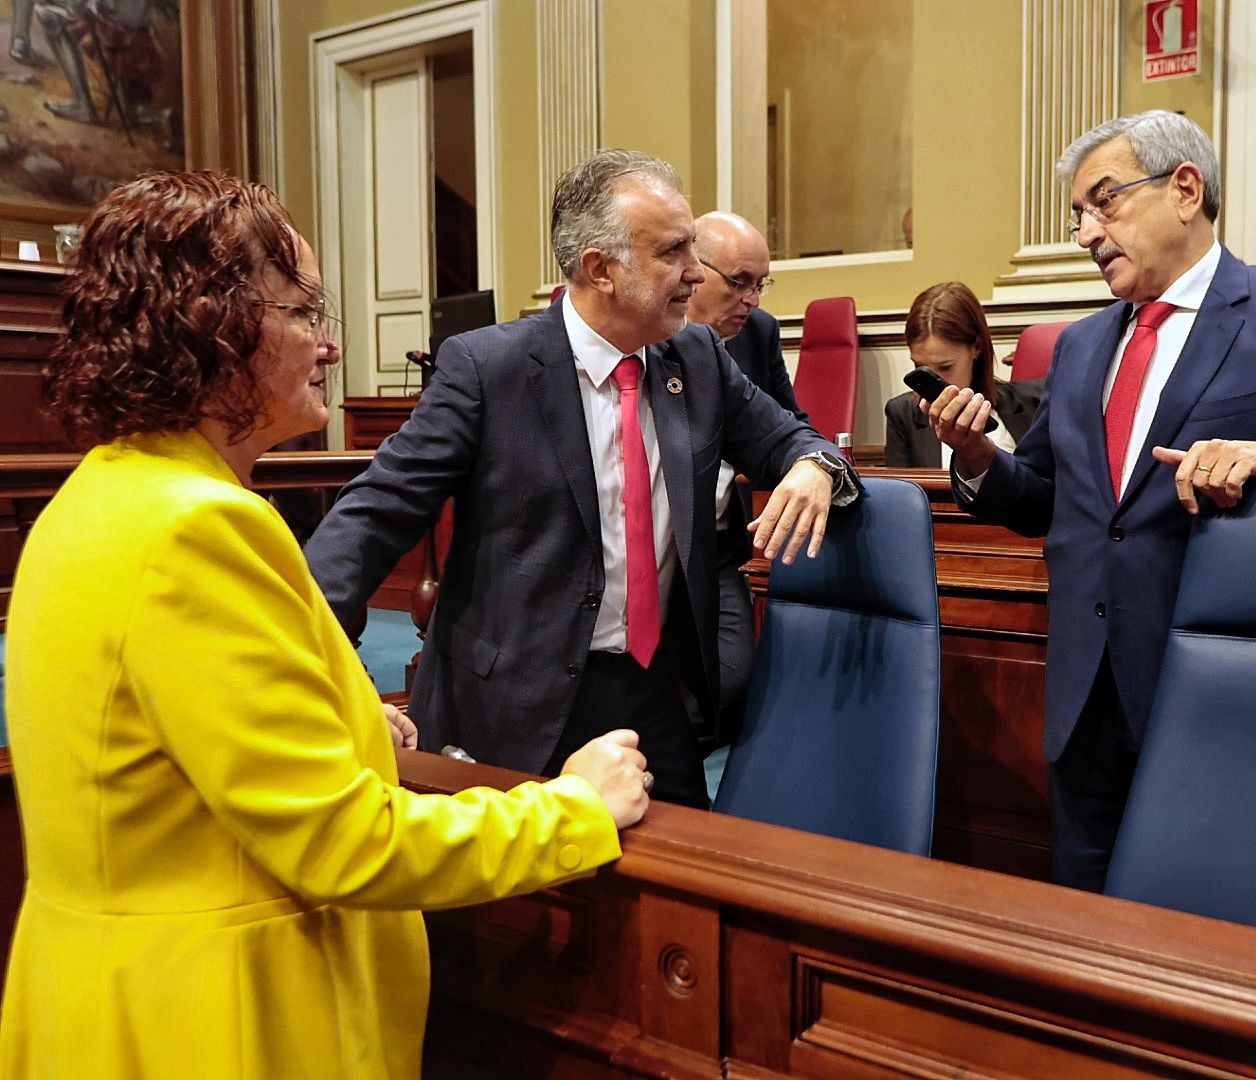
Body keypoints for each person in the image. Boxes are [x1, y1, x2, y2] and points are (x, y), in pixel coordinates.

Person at [0, 171, 650, 1078]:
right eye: (303, 312)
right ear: (215, 326)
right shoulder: (198, 526)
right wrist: (570, 812)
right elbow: (345, 844)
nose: (331, 345)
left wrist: (340, 718)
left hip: (115, 994)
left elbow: (162, 743)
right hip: (217, 1022)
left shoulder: (99, 494)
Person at [927, 110, 1256, 891]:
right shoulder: (1078, 346)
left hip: (1223, 696)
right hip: (1085, 697)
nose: (1085, 232)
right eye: (1078, 215)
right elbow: (1044, 500)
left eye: (1104, 202)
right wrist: (975, 457)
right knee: (1085, 937)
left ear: (1184, 188)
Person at [304, 150, 856, 809]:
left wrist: (813, 466)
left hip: (655, 691)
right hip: (510, 701)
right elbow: (376, 512)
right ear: (600, 269)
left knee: (684, 888)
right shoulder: (489, 369)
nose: (694, 273)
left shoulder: (698, 357)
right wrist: (319, 657)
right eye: (674, 251)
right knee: (517, 899)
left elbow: (792, 438)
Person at [687, 210, 807, 729]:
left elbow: (790, 426)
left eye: (761, 285)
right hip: (648, 543)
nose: (753, 300)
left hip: (718, 542)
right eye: (739, 283)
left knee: (731, 683)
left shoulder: (757, 332)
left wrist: (812, 466)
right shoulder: (644, 333)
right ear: (693, 266)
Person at [885, 281, 1043, 468]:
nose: (934, 384)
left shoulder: (1035, 401)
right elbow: (902, 492)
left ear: (976, 347)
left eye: (945, 367)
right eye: (920, 367)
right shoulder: (902, 414)